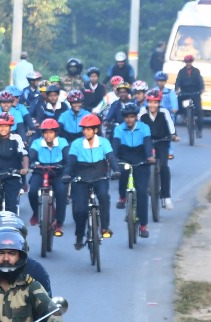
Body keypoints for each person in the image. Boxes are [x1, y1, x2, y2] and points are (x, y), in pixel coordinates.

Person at [64, 113, 118, 247]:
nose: (86, 132)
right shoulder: (76, 144)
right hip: (81, 177)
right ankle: (79, 236)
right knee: (80, 210)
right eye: (84, 129)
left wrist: (117, 170)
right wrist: (66, 174)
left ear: (95, 130)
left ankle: (104, 227)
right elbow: (70, 162)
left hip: (99, 175)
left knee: (104, 197)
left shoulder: (103, 142)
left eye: (89, 129)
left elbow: (111, 158)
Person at [111, 102, 155, 239]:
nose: (129, 119)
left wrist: (149, 157)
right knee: (122, 175)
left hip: (141, 159)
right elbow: (115, 146)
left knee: (142, 192)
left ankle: (143, 225)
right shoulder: (119, 129)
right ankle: (123, 197)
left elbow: (147, 143)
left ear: (136, 117)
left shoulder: (144, 128)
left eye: (132, 117)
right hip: (125, 158)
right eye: (127, 117)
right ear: (124, 118)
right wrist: (113, 161)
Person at [28, 118, 70, 235]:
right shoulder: (37, 143)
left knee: (61, 192)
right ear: (42, 133)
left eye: (51, 132)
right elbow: (31, 155)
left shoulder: (63, 142)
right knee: (32, 191)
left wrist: (65, 168)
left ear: (56, 133)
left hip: (58, 172)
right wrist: (32, 163)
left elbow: (68, 159)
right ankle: (36, 213)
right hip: (40, 171)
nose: (48, 135)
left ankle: (59, 222)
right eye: (45, 132)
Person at [141, 90, 178, 210]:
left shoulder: (164, 112)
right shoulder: (142, 113)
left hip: (162, 141)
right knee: (141, 165)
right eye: (150, 102)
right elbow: (136, 126)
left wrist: (173, 135)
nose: (152, 105)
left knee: (164, 167)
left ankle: (166, 196)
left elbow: (171, 126)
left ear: (159, 103)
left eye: (155, 102)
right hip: (147, 142)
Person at [174, 54, 205, 138]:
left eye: (190, 61)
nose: (188, 63)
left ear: (192, 62)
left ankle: (199, 130)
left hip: (195, 92)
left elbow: (200, 81)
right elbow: (178, 81)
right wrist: (176, 89)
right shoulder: (181, 71)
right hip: (185, 92)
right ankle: (184, 115)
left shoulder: (196, 71)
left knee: (199, 111)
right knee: (178, 101)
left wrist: (202, 89)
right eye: (187, 62)